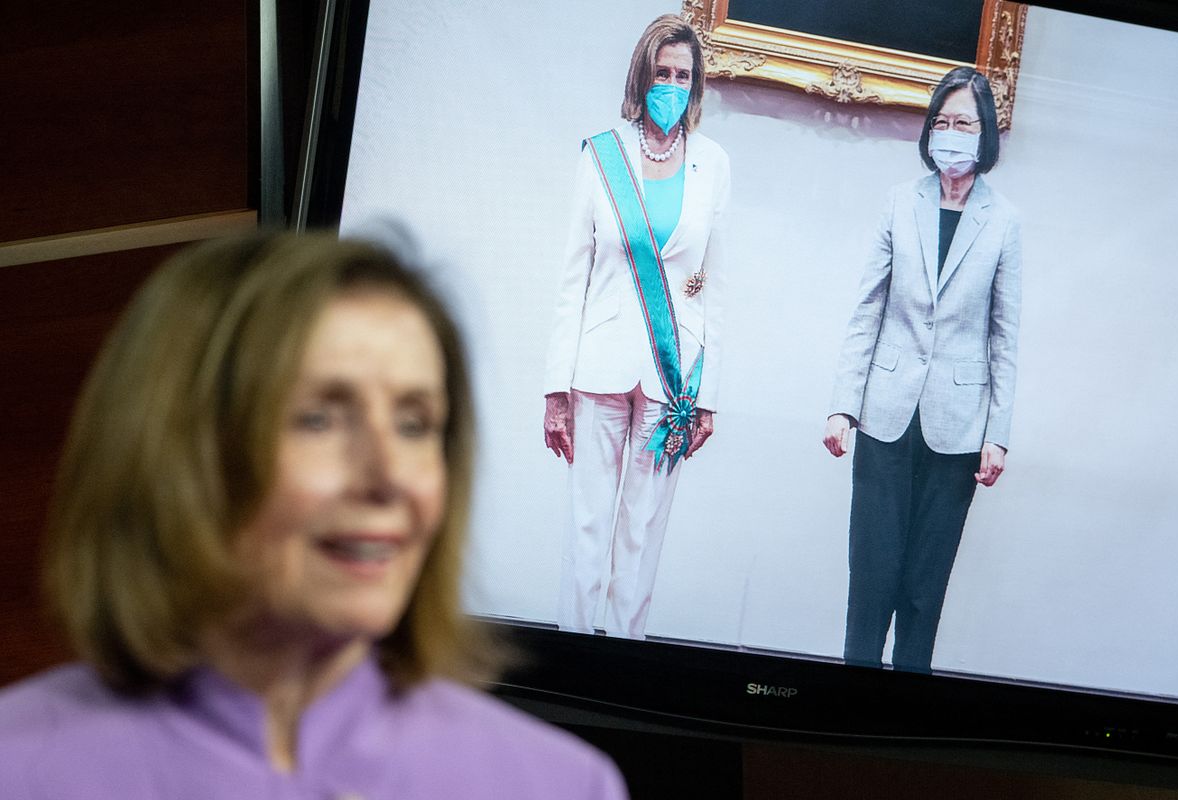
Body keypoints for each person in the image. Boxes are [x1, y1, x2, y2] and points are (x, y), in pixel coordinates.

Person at [0, 231, 628, 799]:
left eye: (415, 425)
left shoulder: (563, 785)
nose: (389, 477)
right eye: (319, 418)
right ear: (179, 452)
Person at [823, 66, 1021, 673]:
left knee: (922, 589)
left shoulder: (1004, 221)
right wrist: (842, 403)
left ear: (984, 135)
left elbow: (1005, 336)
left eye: (965, 123)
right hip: (885, 416)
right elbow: (867, 309)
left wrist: (998, 434)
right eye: (943, 121)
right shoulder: (899, 202)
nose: (951, 133)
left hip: (958, 430)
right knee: (872, 577)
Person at [543, 14, 731, 640]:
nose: (672, 85)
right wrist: (554, 389)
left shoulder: (714, 164)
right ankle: (572, 668)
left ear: (696, 84)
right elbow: (573, 278)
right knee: (589, 532)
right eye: (662, 73)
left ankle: (626, 666)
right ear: (641, 75)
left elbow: (716, 287)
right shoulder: (602, 156)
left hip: (671, 378)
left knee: (641, 539)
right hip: (597, 368)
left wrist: (707, 396)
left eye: (683, 75)